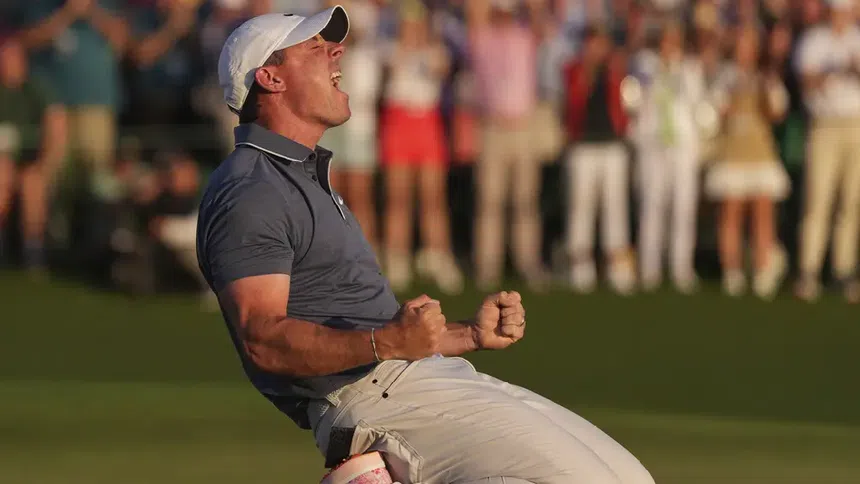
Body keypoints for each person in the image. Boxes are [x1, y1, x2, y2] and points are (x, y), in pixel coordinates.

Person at [196, 6, 654, 483]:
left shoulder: (295, 174)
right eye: (315, 47)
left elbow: (367, 328)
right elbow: (263, 339)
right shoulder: (250, 188)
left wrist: (464, 335)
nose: (337, 51)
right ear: (270, 78)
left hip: (411, 382)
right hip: (379, 400)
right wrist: (386, 342)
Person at [378, 0, 463, 295]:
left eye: (417, 24)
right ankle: (397, 258)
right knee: (398, 196)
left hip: (427, 123)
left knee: (433, 196)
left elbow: (443, 69)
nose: (412, 29)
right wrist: (406, 46)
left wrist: (429, 41)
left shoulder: (436, 51)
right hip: (398, 122)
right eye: (408, 24)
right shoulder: (390, 49)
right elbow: (387, 70)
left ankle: (437, 256)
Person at [704, 26, 790, 299]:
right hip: (732, 152)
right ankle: (732, 271)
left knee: (763, 214)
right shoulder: (724, 77)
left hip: (760, 153)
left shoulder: (766, 77)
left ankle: (763, 270)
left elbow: (777, 113)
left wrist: (764, 89)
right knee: (731, 213)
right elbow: (714, 112)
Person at [627, 22, 706, 294]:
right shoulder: (644, 64)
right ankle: (649, 269)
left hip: (682, 144)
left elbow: (696, 101)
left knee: (683, 206)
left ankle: (681, 268)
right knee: (652, 204)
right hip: (653, 142)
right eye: (665, 40)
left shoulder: (690, 69)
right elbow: (634, 99)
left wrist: (676, 71)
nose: (669, 46)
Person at [793, 0, 860, 303]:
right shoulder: (814, 40)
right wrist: (833, 73)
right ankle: (809, 270)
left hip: (855, 125)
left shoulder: (857, 39)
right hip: (824, 125)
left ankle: (843, 270)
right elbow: (807, 81)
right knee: (818, 198)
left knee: (851, 201)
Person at [562, 26, 634, 295]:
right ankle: (580, 267)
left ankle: (618, 267)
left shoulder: (616, 72)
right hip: (583, 146)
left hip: (612, 146)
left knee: (615, 207)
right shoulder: (574, 71)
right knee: (581, 207)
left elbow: (626, 105)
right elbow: (572, 101)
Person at [0, 34, 66, 270]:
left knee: (32, 182)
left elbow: (57, 129)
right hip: (4, 164)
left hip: (33, 163)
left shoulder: (36, 89)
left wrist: (45, 166)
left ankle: (33, 251)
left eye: (11, 57)